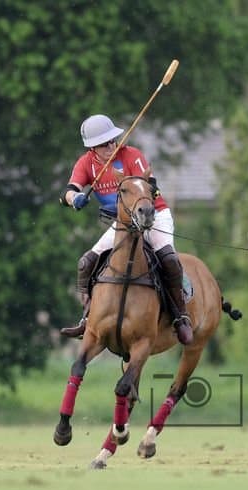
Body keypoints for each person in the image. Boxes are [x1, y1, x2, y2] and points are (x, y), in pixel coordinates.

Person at [58, 114, 193, 345]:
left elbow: (151, 188)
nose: (111, 145)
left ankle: (181, 316)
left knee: (168, 258)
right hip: (123, 224)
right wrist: (75, 198)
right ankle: (87, 318)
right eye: (104, 143)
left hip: (154, 215)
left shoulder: (131, 155)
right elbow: (68, 191)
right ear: (92, 148)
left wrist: (132, 207)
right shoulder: (86, 164)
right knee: (86, 262)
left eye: (113, 140)